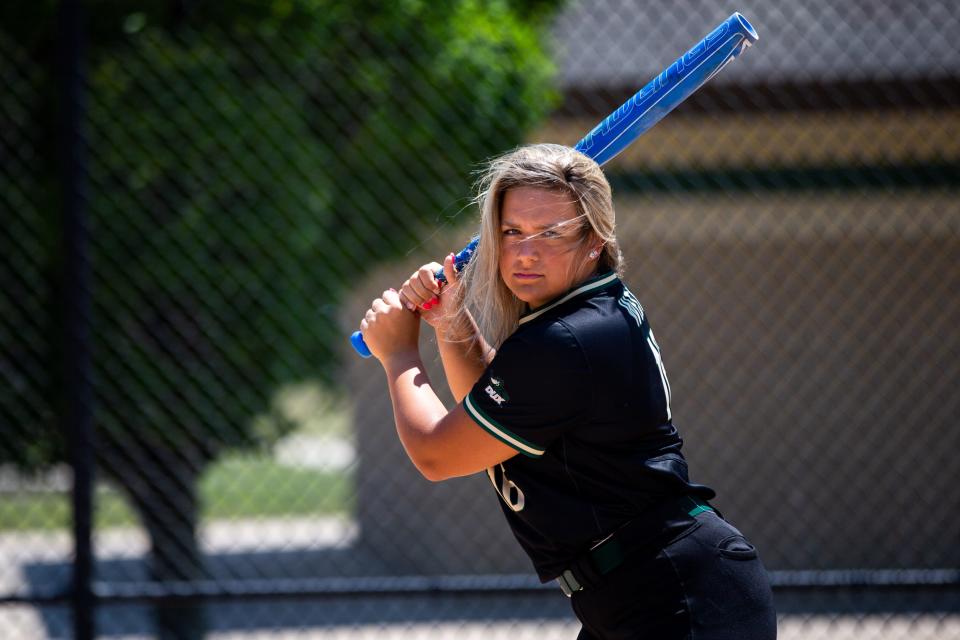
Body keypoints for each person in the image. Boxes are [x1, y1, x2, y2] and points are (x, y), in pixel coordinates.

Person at [358, 143, 777, 639]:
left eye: (551, 233)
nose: (524, 252)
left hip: (678, 597)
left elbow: (438, 454)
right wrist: (450, 318)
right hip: (638, 589)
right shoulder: (586, 312)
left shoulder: (567, 338)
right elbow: (497, 423)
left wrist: (398, 354)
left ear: (594, 239)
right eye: (511, 231)